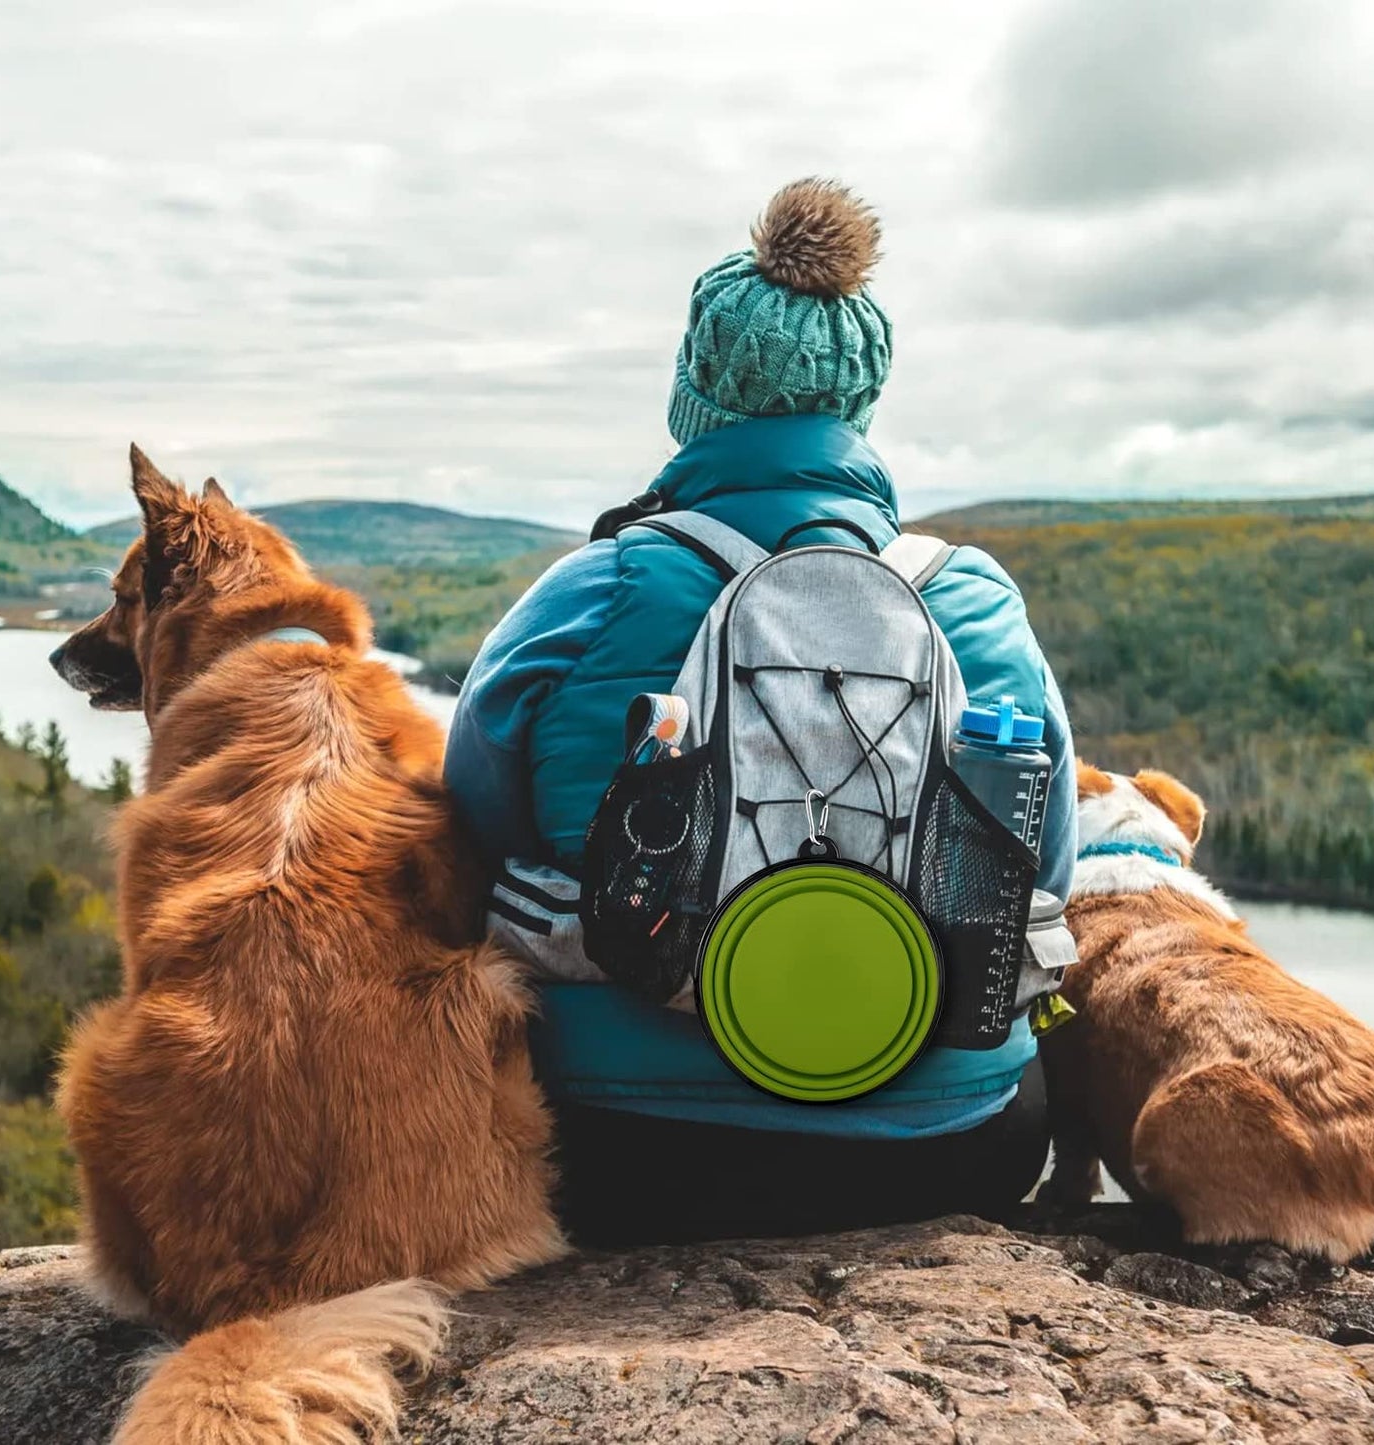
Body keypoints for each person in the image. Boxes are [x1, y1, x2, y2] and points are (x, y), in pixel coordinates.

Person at [444, 178, 1077, 1245]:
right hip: (948, 1144)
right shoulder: (970, 599)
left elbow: (467, 829)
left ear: (696, 387)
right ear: (859, 403)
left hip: (619, 1145)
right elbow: (1044, 870)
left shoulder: (591, 590)